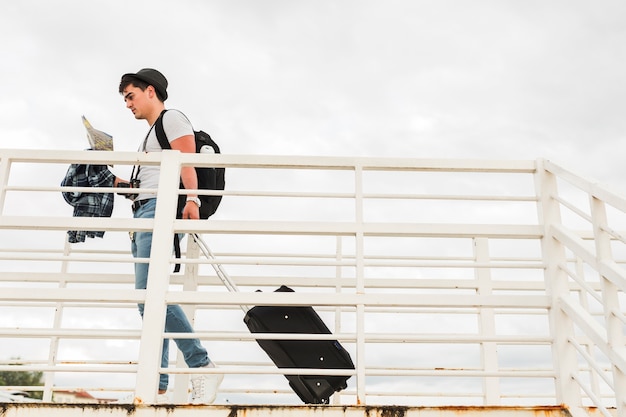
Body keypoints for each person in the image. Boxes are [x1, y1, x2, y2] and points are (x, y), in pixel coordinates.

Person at [115, 68, 222, 404]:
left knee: (149, 295)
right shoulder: (148, 137)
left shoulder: (171, 118)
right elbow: (147, 183)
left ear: (150, 91)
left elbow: (185, 162)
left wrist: (192, 199)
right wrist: (117, 183)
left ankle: (201, 363)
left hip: (157, 213)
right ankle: (157, 380)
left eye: (130, 96)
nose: (127, 104)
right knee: (153, 296)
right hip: (143, 212)